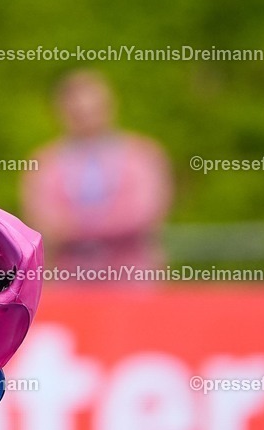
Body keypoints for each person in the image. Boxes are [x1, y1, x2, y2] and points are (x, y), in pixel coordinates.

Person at [21, 69, 173, 276]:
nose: (86, 117)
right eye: (78, 111)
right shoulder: (43, 162)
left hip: (133, 281)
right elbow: (43, 221)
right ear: (60, 111)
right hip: (69, 283)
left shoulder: (143, 155)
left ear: (110, 105)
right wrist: (106, 224)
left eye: (93, 109)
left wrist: (76, 228)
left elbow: (143, 213)